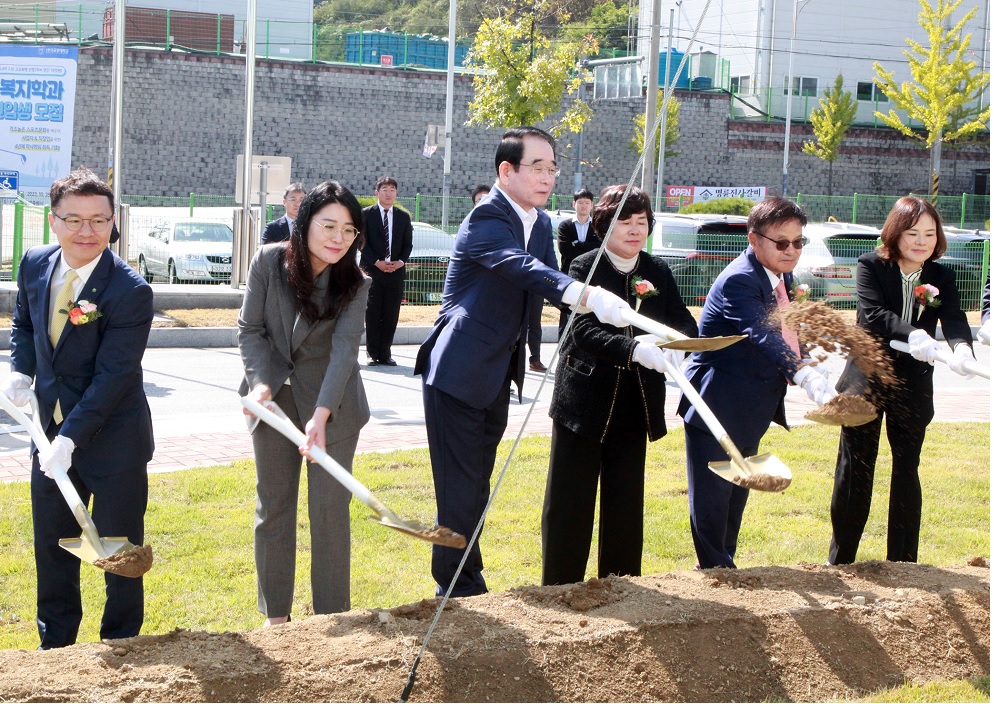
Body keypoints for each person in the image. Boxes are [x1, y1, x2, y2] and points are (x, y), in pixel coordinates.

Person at [414, 126, 634, 597]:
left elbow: (543, 282)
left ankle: (464, 581)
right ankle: (457, 589)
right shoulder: (486, 217)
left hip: (496, 373)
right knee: (459, 487)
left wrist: (597, 309)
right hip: (458, 370)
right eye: (537, 167)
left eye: (553, 168)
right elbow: (521, 268)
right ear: (506, 170)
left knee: (475, 486)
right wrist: (583, 293)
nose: (548, 176)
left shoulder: (537, 223)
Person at [1, 167, 154, 648]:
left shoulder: (129, 290)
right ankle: (56, 644)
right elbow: (25, 326)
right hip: (48, 434)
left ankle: (121, 641)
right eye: (74, 220)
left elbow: (114, 378)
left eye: (99, 220)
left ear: (113, 222)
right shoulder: (34, 263)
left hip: (114, 441)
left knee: (120, 552)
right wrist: (20, 371)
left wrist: (69, 439)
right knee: (53, 547)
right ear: (53, 221)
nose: (86, 232)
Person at [541, 185, 698, 585]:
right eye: (624, 222)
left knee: (626, 502)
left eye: (641, 222)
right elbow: (580, 333)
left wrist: (676, 345)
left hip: (635, 404)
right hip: (584, 403)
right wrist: (633, 350)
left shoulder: (657, 270)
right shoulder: (584, 268)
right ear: (602, 227)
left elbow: (684, 321)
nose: (634, 230)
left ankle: (623, 585)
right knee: (570, 503)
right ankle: (560, 589)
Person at [238, 180, 371, 625]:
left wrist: (321, 417)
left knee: (329, 513)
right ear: (305, 224)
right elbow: (251, 330)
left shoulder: (356, 282)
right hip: (272, 404)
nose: (338, 238)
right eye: (328, 226)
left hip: (333, 408)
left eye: (349, 230)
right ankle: (275, 618)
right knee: (273, 507)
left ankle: (330, 620)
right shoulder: (269, 261)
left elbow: (344, 351)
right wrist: (260, 386)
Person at [678, 197, 834, 569]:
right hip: (717, 403)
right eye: (782, 242)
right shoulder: (739, 280)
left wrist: (808, 356)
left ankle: (725, 563)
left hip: (751, 405)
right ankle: (713, 568)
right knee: (713, 496)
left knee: (736, 491)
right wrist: (802, 372)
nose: (791, 251)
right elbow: (763, 333)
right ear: (754, 239)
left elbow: (786, 324)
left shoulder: (781, 275)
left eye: (799, 242)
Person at [828, 196, 975, 565]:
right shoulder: (870, 266)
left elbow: (955, 319)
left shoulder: (942, 275)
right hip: (867, 378)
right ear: (896, 233)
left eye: (929, 233)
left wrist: (962, 350)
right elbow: (875, 314)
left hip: (914, 382)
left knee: (907, 467)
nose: (921, 241)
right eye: (912, 233)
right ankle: (841, 560)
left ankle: (905, 564)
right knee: (856, 465)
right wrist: (916, 336)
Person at [360, 176, 413, 366]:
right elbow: (361, 243)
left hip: (395, 272)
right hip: (373, 271)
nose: (388, 193)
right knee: (372, 313)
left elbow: (408, 244)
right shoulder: (366, 215)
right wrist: (376, 262)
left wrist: (400, 261)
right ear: (377, 193)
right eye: (385, 189)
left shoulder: (403, 216)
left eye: (392, 189)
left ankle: (385, 353)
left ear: (396, 193)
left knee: (391, 314)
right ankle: (372, 353)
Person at [556, 188, 597, 274]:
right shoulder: (565, 226)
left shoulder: (597, 226)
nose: (584, 206)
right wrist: (588, 249)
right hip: (568, 271)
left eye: (587, 203)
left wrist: (577, 244)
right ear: (574, 204)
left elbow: (598, 248)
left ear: (592, 205)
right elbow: (565, 249)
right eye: (580, 202)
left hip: (592, 273)